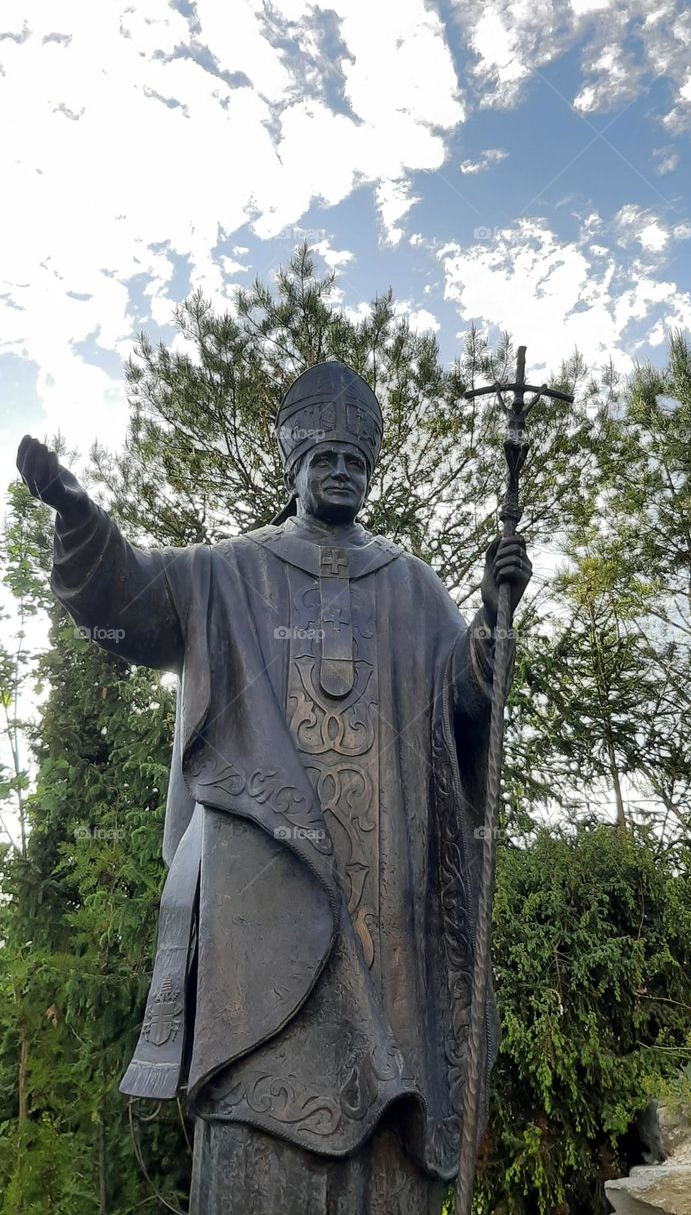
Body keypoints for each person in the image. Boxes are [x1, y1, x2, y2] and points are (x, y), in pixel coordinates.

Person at [17, 360, 531, 1214]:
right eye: (324, 458)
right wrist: (79, 520)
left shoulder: (414, 588)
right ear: (293, 466)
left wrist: (490, 625)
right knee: (256, 1139)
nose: (340, 473)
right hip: (261, 928)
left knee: (385, 1159)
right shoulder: (228, 573)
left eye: (355, 462)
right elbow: (133, 599)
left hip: (386, 934)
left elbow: (465, 712)